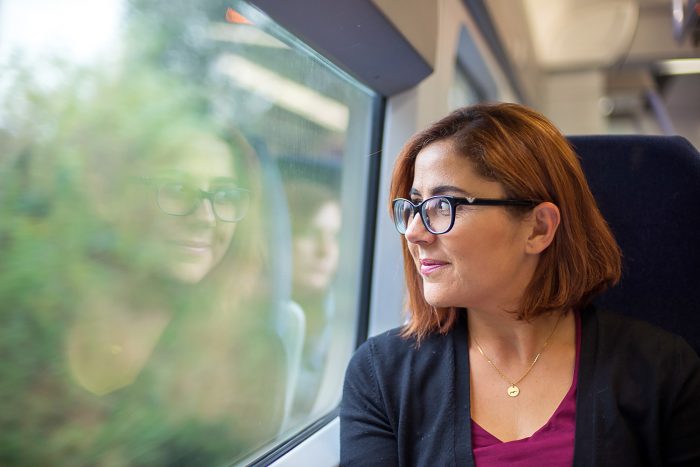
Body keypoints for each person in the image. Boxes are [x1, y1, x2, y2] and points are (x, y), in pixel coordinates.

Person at [340, 103, 700, 466]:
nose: (415, 233)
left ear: (538, 227)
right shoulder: (380, 377)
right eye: (414, 207)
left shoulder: (664, 370)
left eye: (443, 205)